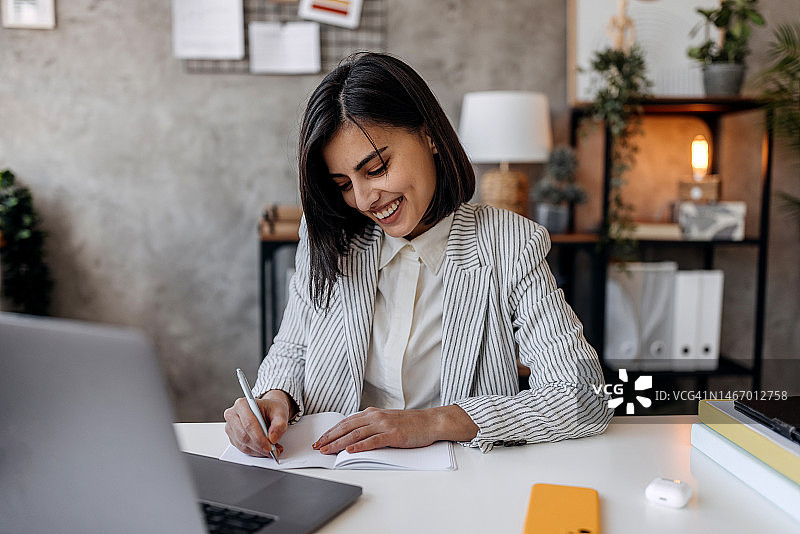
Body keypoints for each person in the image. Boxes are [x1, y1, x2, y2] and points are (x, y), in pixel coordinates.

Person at [224, 52, 612, 458]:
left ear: (428, 136)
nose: (363, 199)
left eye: (376, 169)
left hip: (464, 489)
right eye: (343, 183)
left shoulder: (509, 244)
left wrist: (436, 422)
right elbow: (293, 348)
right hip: (336, 476)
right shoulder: (330, 239)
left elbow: (584, 396)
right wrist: (273, 398)